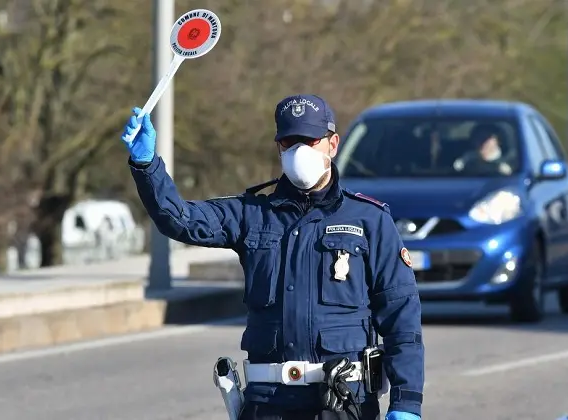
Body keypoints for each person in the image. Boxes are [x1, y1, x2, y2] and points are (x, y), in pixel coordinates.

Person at [121, 94, 424, 420]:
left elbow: (401, 319)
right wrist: (147, 166)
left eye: (309, 140)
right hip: (269, 404)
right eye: (289, 142)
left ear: (332, 145)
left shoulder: (369, 220)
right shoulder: (252, 214)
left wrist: (406, 402)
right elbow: (180, 219)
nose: (299, 151)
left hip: (344, 401)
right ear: (278, 147)